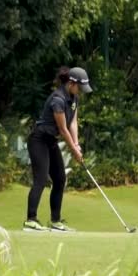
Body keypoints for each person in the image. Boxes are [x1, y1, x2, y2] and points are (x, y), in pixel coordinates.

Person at [23, 66, 92, 232]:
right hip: (39, 140)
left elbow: (73, 122)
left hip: (51, 141)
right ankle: (31, 220)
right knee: (40, 179)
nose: (80, 92)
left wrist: (76, 144)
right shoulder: (58, 100)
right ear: (71, 83)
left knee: (60, 178)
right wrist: (74, 151)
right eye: (79, 88)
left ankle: (55, 221)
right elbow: (63, 129)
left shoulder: (74, 98)